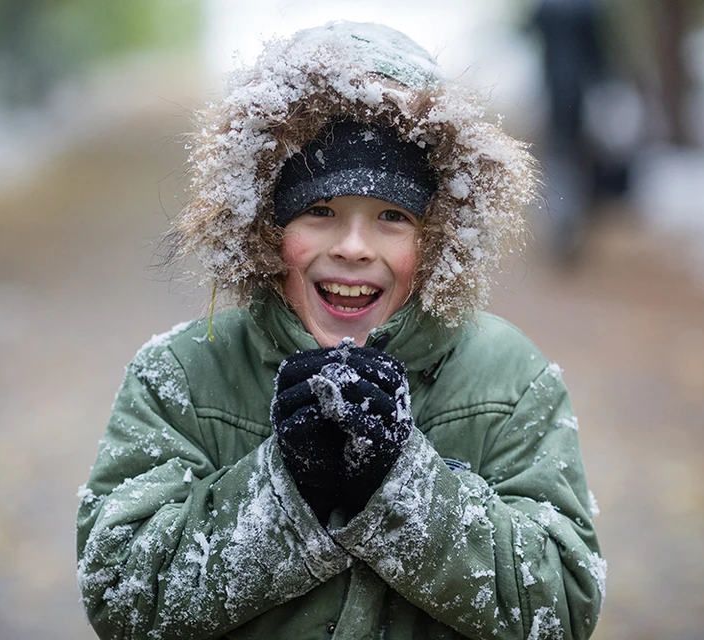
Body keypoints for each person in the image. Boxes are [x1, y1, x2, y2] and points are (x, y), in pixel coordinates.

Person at [76, 22, 605, 640]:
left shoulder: (510, 380)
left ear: (435, 241)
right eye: (319, 211)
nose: (354, 248)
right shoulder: (182, 377)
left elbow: (559, 611)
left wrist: (401, 484)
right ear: (264, 228)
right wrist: (285, 490)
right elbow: (123, 597)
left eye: (391, 216)